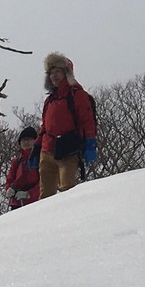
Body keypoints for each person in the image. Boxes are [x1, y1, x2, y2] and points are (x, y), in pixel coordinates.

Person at [39, 52, 98, 197]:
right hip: (47, 149)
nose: (54, 76)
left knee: (68, 190)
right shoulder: (50, 99)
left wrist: (90, 143)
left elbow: (87, 120)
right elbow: (44, 126)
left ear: (67, 72)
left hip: (68, 149)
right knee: (45, 194)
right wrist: (36, 146)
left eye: (58, 71)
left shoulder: (77, 95)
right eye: (51, 73)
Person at [4, 126, 41, 209]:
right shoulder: (17, 161)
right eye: (23, 140)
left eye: (29, 139)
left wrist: (29, 194)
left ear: (35, 141)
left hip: (35, 202)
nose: (26, 142)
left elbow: (45, 181)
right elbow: (9, 180)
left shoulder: (39, 159)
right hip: (16, 202)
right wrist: (9, 189)